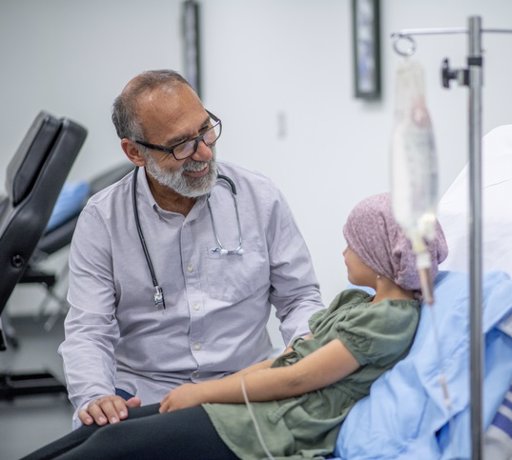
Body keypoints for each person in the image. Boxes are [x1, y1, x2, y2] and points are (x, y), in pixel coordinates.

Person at [23, 193, 448, 460]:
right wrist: (203, 392)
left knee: (112, 447)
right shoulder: (358, 302)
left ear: (379, 258)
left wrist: (204, 392)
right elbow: (286, 359)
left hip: (270, 425)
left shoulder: (387, 322)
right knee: (105, 431)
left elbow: (296, 379)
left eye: (352, 245)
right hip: (243, 402)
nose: (342, 252)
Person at [58, 69, 324, 429]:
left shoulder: (259, 198)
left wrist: (307, 346)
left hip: (245, 388)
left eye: (205, 130)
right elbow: (89, 329)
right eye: (180, 145)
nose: (203, 152)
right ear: (135, 152)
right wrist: (95, 396)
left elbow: (299, 297)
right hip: (146, 398)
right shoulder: (102, 221)